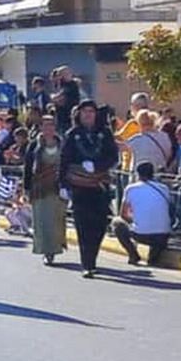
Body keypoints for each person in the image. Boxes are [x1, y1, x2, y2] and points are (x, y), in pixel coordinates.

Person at [59, 101, 119, 278]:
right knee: (83, 226)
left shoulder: (105, 133)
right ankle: (88, 264)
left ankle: (93, 256)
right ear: (78, 114)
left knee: (100, 225)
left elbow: (113, 156)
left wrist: (97, 165)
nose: (88, 114)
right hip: (80, 187)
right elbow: (64, 160)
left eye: (91, 111)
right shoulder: (72, 134)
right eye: (84, 111)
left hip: (100, 186)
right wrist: (62, 184)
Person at [24, 114, 66, 265]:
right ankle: (46, 251)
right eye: (46, 125)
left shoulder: (62, 144)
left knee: (56, 221)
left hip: (57, 188)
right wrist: (26, 188)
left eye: (52, 125)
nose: (49, 128)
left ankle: (55, 249)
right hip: (40, 188)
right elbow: (28, 168)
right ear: (41, 127)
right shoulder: (34, 145)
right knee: (42, 222)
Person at [113, 163, 172, 265]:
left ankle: (133, 255)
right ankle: (154, 257)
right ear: (153, 174)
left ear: (137, 174)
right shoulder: (164, 188)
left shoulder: (131, 188)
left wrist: (133, 221)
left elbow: (123, 214)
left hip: (141, 235)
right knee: (157, 225)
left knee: (117, 223)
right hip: (163, 235)